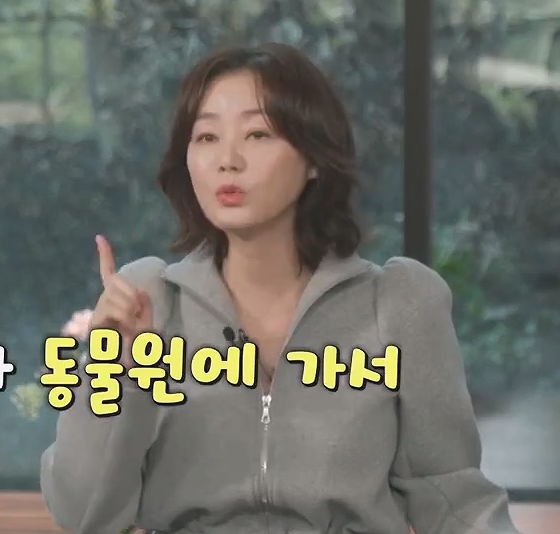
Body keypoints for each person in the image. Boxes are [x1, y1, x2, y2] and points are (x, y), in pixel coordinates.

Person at [39, 42, 520, 534]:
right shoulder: (150, 303)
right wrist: (114, 369)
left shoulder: (398, 303)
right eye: (206, 137)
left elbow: (453, 499)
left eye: (258, 134)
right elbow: (84, 514)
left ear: (314, 158)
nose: (227, 160)